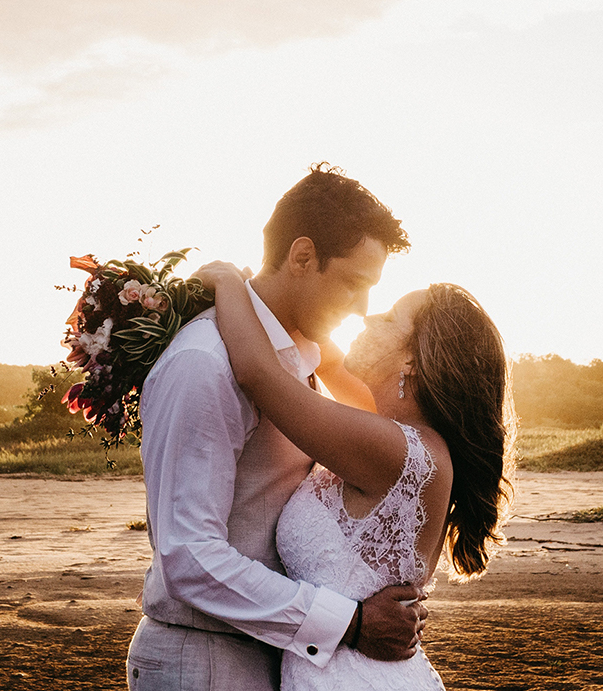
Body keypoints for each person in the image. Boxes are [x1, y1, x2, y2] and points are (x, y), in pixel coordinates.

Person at [127, 164, 428, 691]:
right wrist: (350, 624)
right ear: (303, 256)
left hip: (273, 650)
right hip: (208, 661)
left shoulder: (297, 363)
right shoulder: (205, 362)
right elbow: (190, 556)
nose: (362, 310)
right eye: (355, 284)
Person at [191, 260, 514, 690]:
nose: (369, 315)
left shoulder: (400, 451)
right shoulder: (391, 433)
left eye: (389, 316)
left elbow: (258, 373)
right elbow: (325, 357)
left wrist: (229, 280)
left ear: (411, 359)